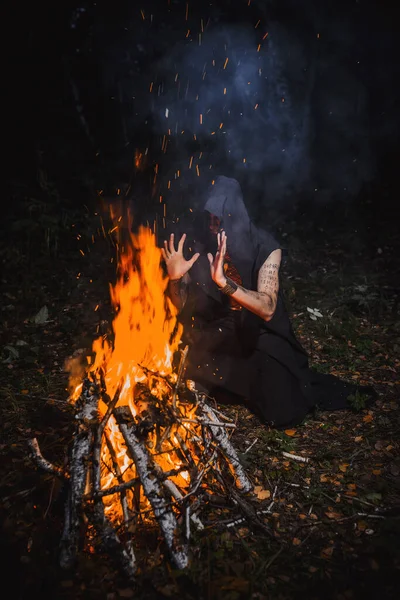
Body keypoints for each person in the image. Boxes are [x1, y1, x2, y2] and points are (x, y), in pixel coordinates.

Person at [162, 176, 374, 428]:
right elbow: (180, 305)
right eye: (209, 217)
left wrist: (224, 283)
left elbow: (268, 308)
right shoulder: (200, 244)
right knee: (183, 370)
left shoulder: (266, 246)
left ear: (234, 216)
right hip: (220, 331)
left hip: (259, 334)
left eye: (218, 219)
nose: (211, 225)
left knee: (283, 414)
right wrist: (175, 279)